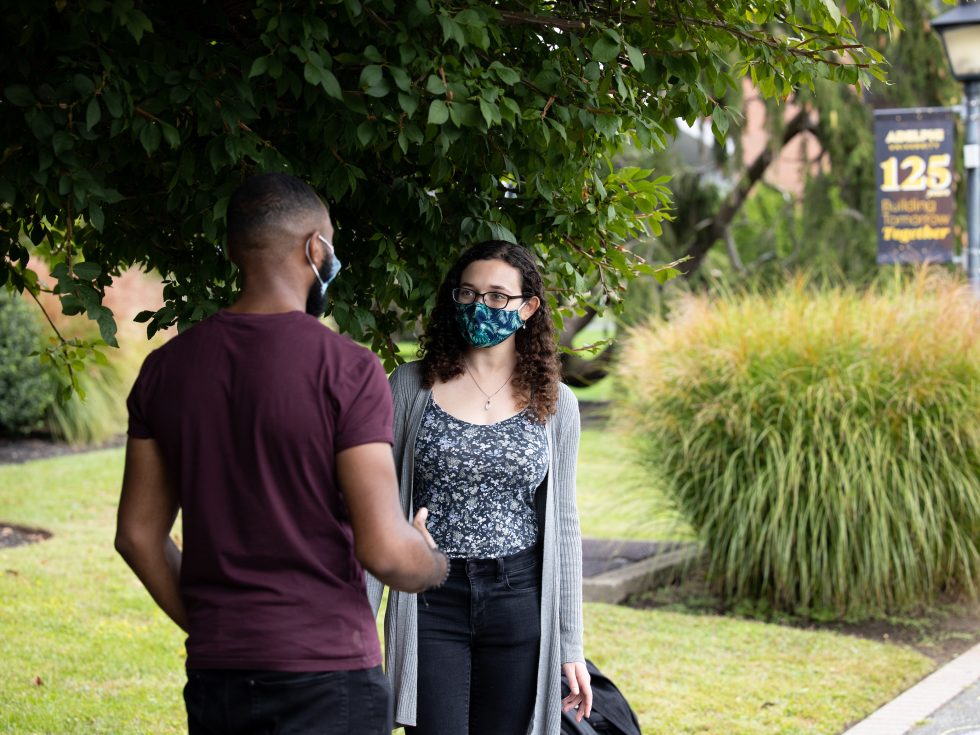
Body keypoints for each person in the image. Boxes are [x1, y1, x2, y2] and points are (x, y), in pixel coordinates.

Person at [114, 172, 448, 735]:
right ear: (315, 248)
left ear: (232, 252)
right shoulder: (347, 369)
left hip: (220, 676)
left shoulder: (165, 370)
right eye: (331, 248)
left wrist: (219, 626)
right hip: (329, 675)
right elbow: (387, 552)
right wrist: (431, 559)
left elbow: (138, 536)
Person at [368, 240, 593, 735]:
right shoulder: (410, 386)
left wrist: (571, 644)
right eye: (468, 295)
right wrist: (357, 626)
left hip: (518, 600)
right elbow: (373, 507)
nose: (479, 307)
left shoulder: (555, 403)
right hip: (430, 596)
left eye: (496, 297)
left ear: (528, 308)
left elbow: (564, 524)